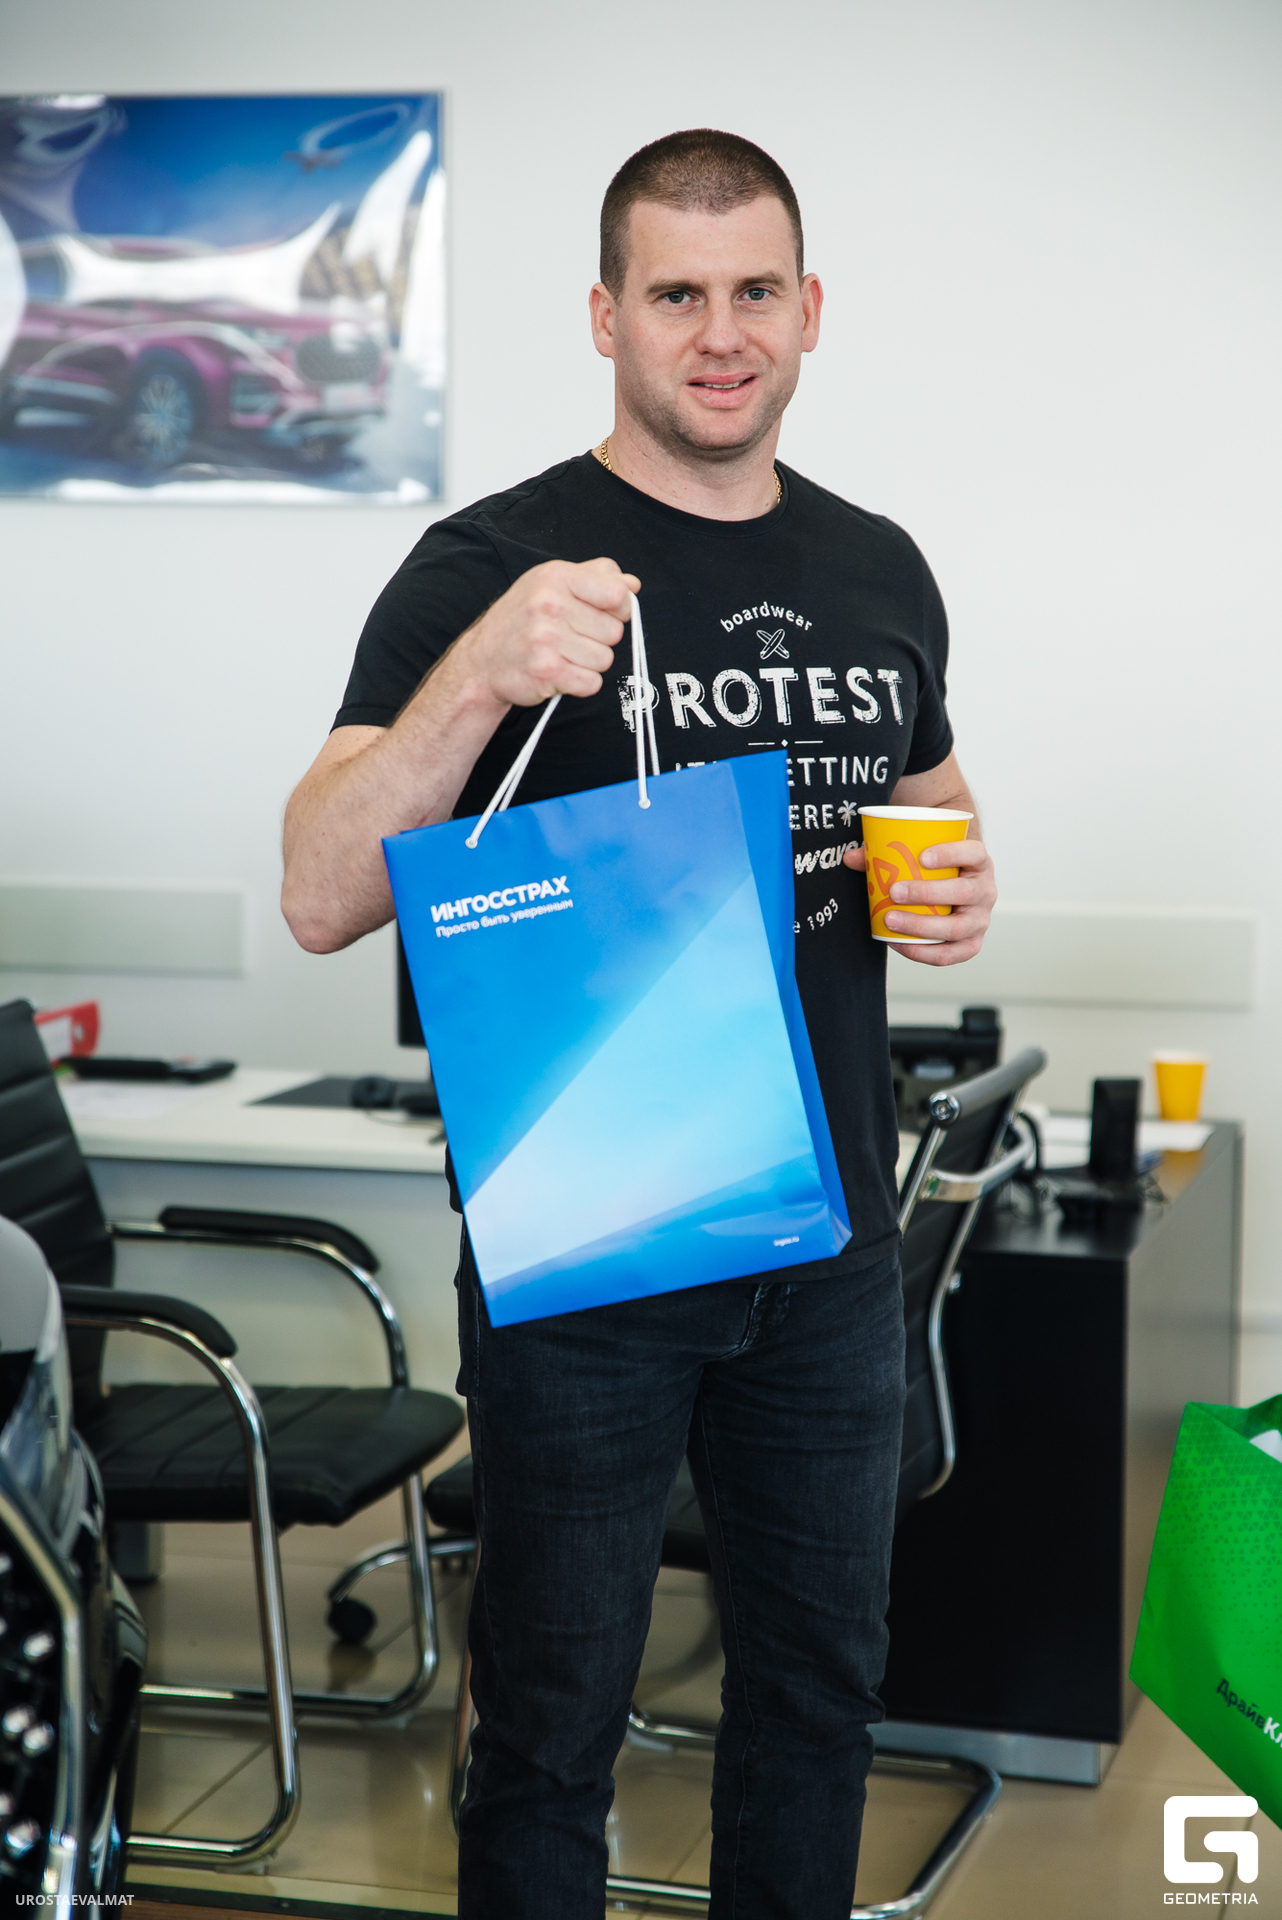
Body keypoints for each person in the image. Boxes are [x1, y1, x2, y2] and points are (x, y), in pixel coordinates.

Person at [282, 128, 996, 1920]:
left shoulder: (879, 565)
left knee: (818, 1703)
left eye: (754, 291)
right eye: (675, 294)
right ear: (605, 317)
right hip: (589, 1243)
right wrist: (479, 674)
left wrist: (958, 886)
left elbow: (929, 806)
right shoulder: (488, 564)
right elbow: (318, 891)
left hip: (827, 1241)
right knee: (548, 1731)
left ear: (810, 308)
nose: (719, 333)